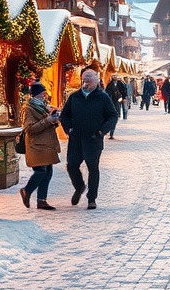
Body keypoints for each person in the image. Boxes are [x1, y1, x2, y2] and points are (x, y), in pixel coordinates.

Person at [60, 68, 117, 210]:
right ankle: (79, 187)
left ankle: (92, 198)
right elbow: (65, 115)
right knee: (72, 165)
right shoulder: (74, 97)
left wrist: (101, 131)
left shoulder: (102, 97)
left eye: (89, 80)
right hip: (76, 139)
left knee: (93, 168)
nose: (86, 82)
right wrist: (69, 129)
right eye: (84, 79)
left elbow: (112, 115)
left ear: (96, 82)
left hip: (93, 139)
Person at [19, 82, 61, 211]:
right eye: (42, 93)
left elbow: (45, 123)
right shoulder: (28, 108)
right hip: (36, 145)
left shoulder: (41, 106)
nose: (44, 95)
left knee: (48, 172)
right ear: (36, 94)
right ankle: (26, 190)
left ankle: (42, 200)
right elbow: (30, 129)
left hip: (46, 144)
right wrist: (47, 120)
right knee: (41, 171)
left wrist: (53, 119)